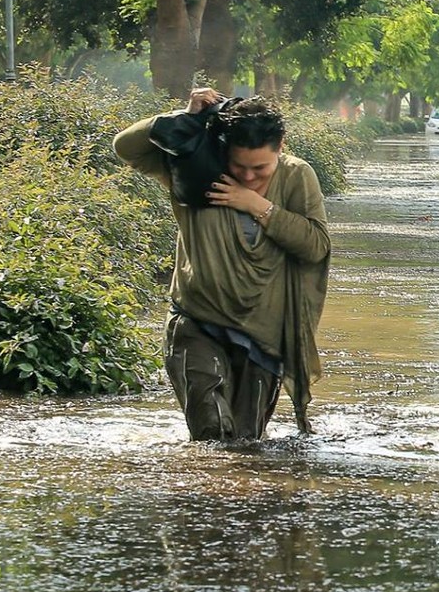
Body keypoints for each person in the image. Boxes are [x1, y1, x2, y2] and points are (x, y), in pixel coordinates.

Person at [115, 90, 331, 440]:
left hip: (263, 337)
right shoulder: (195, 165)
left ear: (281, 148)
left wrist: (256, 205)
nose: (248, 176)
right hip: (197, 320)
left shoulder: (296, 176)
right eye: (239, 167)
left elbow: (316, 247)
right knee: (212, 433)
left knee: (245, 442)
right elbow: (126, 147)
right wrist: (186, 117)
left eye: (260, 168)